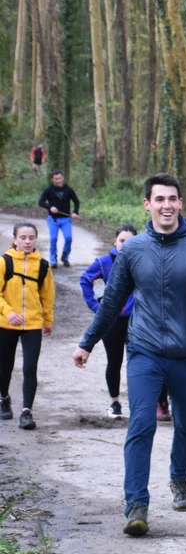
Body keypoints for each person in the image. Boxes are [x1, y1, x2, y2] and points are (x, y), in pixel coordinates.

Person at [72, 173, 186, 537]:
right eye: (159, 199)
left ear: (181, 203)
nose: (166, 205)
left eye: (172, 198)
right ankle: (136, 505)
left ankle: (179, 478)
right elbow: (112, 303)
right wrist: (87, 342)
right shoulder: (133, 250)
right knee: (141, 423)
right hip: (144, 352)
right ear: (147, 204)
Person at [79, 223, 139, 419]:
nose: (125, 245)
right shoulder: (105, 262)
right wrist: (97, 307)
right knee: (114, 361)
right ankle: (115, 403)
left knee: (138, 362)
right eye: (122, 240)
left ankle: (140, 405)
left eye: (130, 241)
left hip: (136, 321)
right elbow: (85, 279)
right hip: (111, 321)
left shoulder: (141, 261)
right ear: (115, 242)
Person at [1, 222, 54, 430]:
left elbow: (47, 295)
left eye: (31, 238)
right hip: (6, 323)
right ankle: (4, 398)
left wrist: (48, 320)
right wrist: (8, 312)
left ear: (36, 240)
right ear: (15, 239)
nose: (27, 241)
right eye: (23, 237)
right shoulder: (4, 262)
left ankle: (26, 412)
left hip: (32, 323)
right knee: (4, 366)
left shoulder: (43, 265)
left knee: (30, 367)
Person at [37, 170, 80, 268]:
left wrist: (75, 212)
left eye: (60, 178)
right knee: (53, 239)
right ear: (52, 179)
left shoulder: (68, 189)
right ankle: (53, 260)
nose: (58, 181)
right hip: (53, 219)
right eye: (56, 179)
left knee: (68, 238)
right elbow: (41, 202)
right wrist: (50, 207)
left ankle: (65, 257)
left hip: (66, 219)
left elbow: (76, 201)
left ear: (63, 178)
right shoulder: (49, 189)